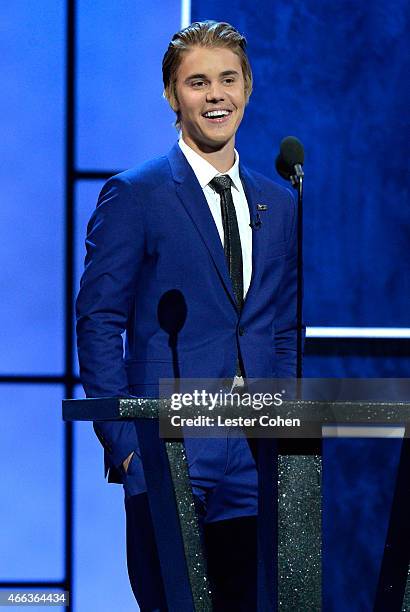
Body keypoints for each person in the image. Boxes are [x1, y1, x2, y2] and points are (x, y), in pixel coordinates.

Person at [76, 20, 298, 611]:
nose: (215, 94)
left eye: (228, 79)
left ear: (248, 88)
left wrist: (290, 425)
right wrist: (126, 444)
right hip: (170, 450)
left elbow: (280, 327)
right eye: (197, 82)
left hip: (259, 455)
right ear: (172, 96)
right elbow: (98, 319)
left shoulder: (279, 202)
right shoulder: (136, 193)